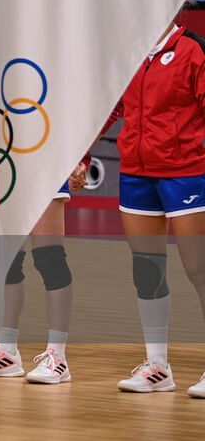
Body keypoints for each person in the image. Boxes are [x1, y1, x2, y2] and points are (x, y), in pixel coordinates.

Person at [107, 20, 205, 397]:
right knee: (147, 272)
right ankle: (157, 367)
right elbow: (110, 107)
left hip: (186, 175)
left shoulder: (193, 49)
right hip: (136, 174)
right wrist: (78, 156)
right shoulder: (129, 48)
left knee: (200, 269)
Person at [0, 161, 89, 384]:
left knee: (50, 258)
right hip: (5, 161)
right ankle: (6, 351)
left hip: (45, 159)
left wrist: (79, 158)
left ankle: (57, 356)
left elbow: (72, 124)